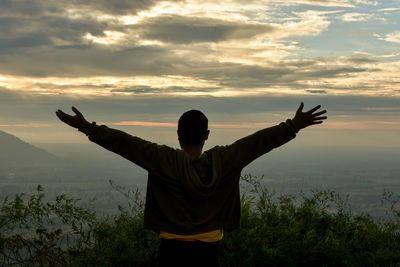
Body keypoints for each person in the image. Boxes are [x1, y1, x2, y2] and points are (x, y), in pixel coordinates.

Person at [55, 103, 327, 266]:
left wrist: (87, 127)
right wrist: (293, 125)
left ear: (178, 135)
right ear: (207, 135)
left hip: (171, 250)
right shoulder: (225, 160)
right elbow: (259, 142)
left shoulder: (164, 160)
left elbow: (125, 144)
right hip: (209, 251)